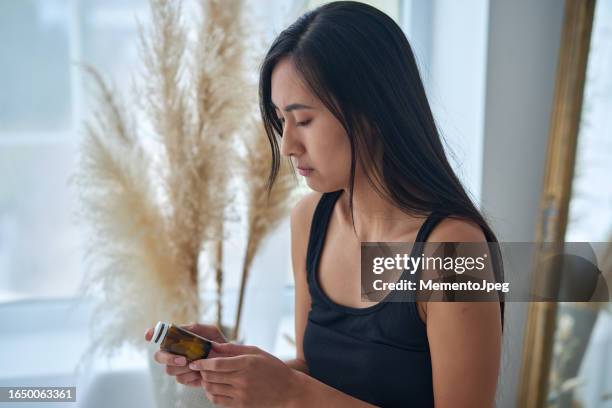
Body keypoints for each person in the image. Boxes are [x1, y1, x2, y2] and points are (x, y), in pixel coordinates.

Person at [145, 1, 503, 406]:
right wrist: (236, 366)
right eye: (281, 121)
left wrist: (292, 392)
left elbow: (305, 392)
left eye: (305, 120)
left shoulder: (454, 249)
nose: (288, 145)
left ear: (372, 109)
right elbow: (315, 372)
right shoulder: (312, 218)